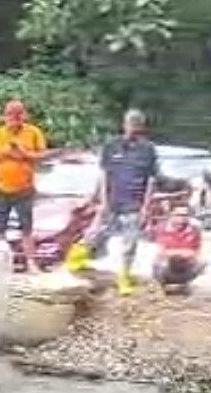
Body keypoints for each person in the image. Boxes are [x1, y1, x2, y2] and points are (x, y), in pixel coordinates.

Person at [65, 108, 159, 296]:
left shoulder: (148, 150)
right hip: (111, 202)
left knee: (130, 243)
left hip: (134, 204)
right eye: (129, 124)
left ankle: (123, 278)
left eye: (136, 125)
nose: (132, 128)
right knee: (94, 235)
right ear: (124, 125)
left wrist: (146, 207)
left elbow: (151, 180)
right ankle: (74, 262)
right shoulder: (111, 146)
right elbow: (104, 175)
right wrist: (100, 201)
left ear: (141, 127)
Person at [0, 100, 47, 271]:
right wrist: (3, 152)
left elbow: (42, 156)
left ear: (23, 116)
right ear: (4, 116)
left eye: (18, 115)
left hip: (24, 187)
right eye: (10, 115)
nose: (14, 119)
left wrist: (23, 153)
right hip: (0, 186)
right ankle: (1, 264)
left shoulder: (33, 132)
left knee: (26, 227)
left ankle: (31, 263)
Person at [153, 204, 203, 293]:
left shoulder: (194, 229)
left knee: (202, 262)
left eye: (186, 215)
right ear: (171, 215)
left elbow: (195, 252)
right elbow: (161, 252)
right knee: (159, 262)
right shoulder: (162, 228)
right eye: (179, 214)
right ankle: (162, 285)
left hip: (184, 262)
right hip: (169, 263)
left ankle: (184, 284)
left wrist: (175, 252)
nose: (182, 217)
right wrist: (182, 252)